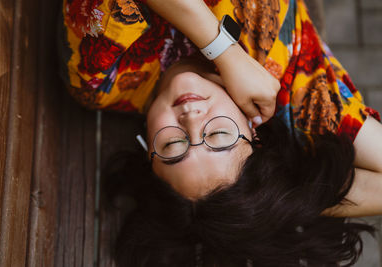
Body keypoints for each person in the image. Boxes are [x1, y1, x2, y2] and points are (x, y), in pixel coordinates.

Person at [58, 0, 382, 265]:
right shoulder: (284, 75)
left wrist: (224, 52)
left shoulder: (100, 77)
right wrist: (271, 202)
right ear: (254, 132)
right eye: (219, 137)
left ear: (148, 153)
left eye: (173, 144)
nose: (192, 119)